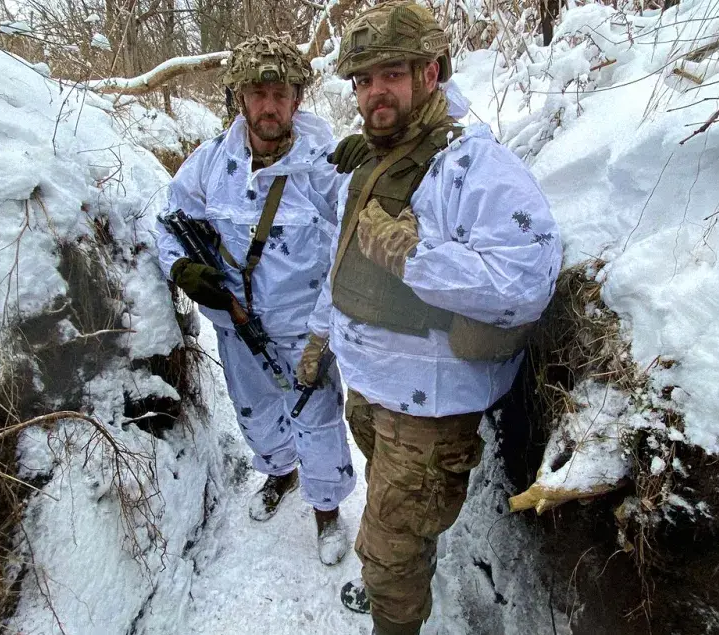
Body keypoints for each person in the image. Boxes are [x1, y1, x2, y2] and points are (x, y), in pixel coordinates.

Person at [297, 2, 562, 633]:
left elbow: (528, 282)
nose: (372, 92)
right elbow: (343, 267)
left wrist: (418, 257)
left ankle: (394, 603)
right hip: (368, 388)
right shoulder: (371, 158)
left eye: (389, 73)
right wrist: (319, 336)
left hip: (427, 408)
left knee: (389, 547)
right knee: (399, 523)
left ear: (431, 72)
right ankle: (402, 575)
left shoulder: (472, 165)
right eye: (362, 80)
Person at [153, 35, 355, 565]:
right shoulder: (210, 165)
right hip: (234, 325)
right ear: (239, 99)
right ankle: (279, 473)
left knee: (317, 415)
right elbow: (169, 222)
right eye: (256, 92)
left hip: (305, 326)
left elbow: (348, 252)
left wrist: (323, 330)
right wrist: (182, 267)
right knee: (257, 412)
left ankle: (327, 512)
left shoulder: (324, 168)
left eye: (280, 93)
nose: (268, 105)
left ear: (296, 100)